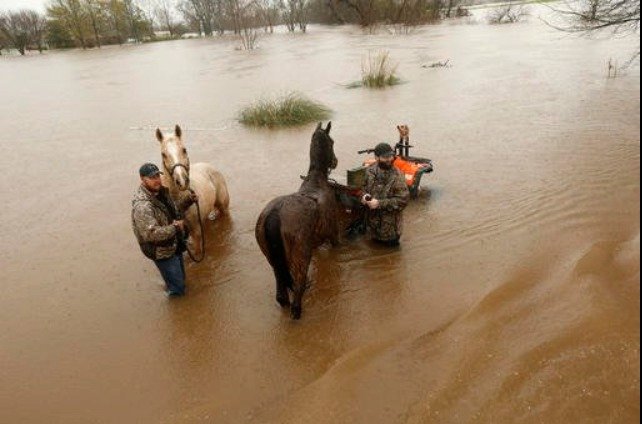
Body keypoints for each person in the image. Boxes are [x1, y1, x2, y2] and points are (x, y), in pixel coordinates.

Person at [131, 163, 196, 296]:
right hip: (161, 251)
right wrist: (175, 227)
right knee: (178, 288)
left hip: (173, 243)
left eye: (157, 176)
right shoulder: (142, 206)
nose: (156, 180)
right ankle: (175, 305)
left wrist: (188, 200)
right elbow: (151, 234)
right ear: (143, 179)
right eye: (152, 178)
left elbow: (173, 211)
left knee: (181, 280)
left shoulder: (161, 192)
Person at [361, 143, 410, 247]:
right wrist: (364, 196)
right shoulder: (369, 171)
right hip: (372, 227)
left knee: (392, 260)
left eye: (390, 156)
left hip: (390, 232)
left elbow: (403, 201)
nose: (389, 159)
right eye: (385, 157)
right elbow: (363, 188)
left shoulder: (398, 176)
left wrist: (379, 203)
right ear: (376, 157)